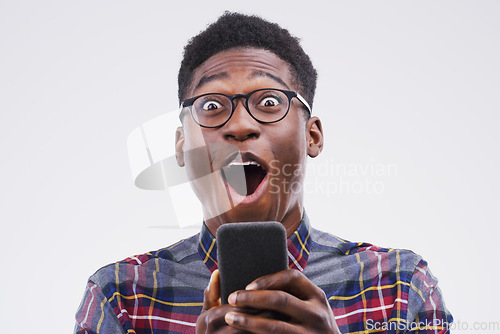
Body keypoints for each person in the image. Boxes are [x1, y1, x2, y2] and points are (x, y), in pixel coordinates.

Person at [75, 12, 453, 334]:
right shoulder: (122, 297)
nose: (240, 125)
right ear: (180, 146)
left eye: (269, 102)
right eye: (211, 105)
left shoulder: (400, 288)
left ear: (312, 135)